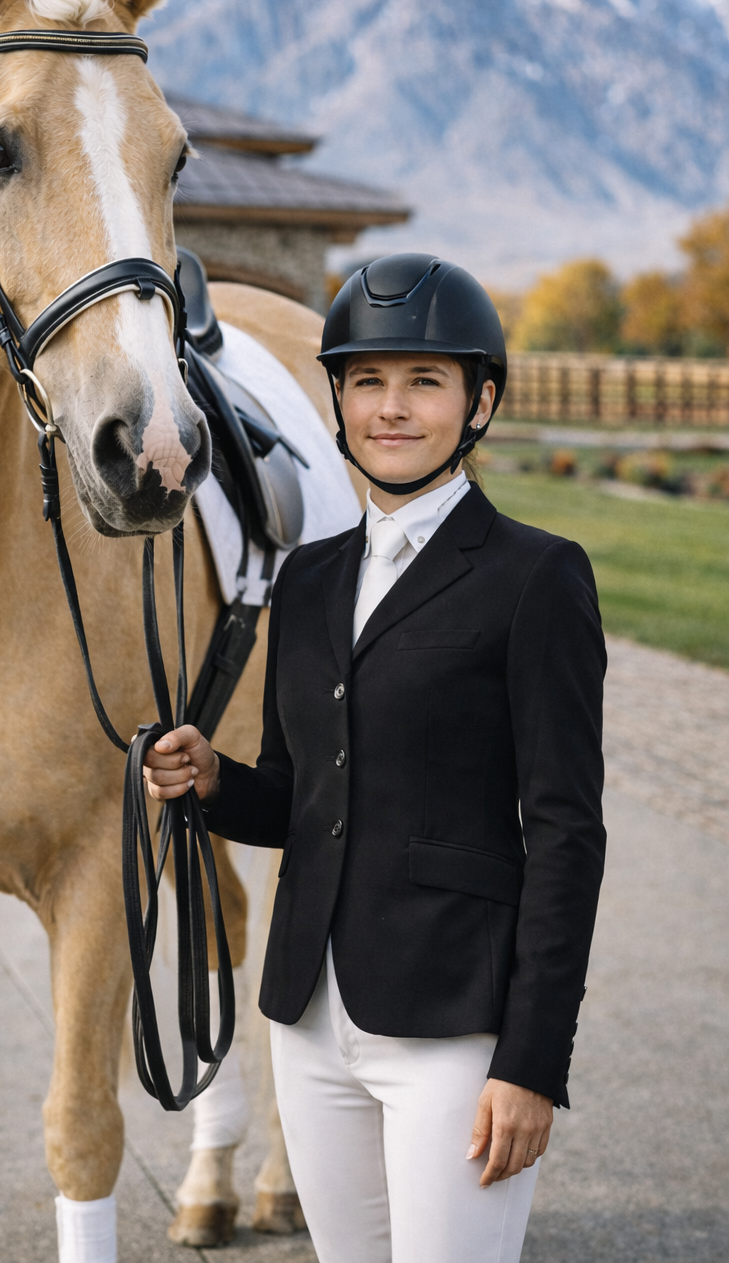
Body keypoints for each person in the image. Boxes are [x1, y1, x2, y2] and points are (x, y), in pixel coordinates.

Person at [144, 254, 606, 1263]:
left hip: (452, 1030)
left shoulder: (539, 578)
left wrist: (532, 1061)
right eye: (366, 382)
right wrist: (215, 782)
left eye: (423, 382)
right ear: (339, 398)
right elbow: (301, 801)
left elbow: (568, 836)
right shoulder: (306, 579)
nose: (390, 409)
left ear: (478, 400)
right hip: (308, 1022)